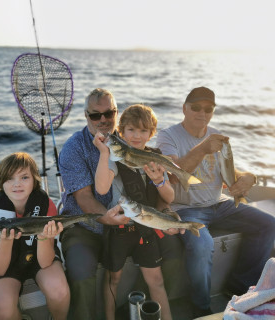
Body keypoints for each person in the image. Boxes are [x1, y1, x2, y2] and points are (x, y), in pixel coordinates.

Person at [156, 86, 275, 317]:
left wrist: (250, 177)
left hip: (219, 203)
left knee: (268, 224)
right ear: (184, 108)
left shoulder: (216, 134)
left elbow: (229, 172)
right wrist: (202, 149)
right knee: (203, 245)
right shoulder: (167, 136)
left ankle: (239, 286)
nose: (202, 113)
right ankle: (200, 308)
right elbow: (170, 176)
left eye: (208, 109)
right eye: (196, 107)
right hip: (186, 208)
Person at [93, 104, 178, 320]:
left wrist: (159, 180)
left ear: (152, 133)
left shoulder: (155, 157)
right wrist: (104, 153)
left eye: (143, 131)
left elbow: (169, 197)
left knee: (156, 280)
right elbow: (102, 188)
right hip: (119, 230)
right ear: (120, 131)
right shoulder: (115, 156)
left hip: (147, 228)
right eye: (131, 130)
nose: (137, 136)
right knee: (113, 280)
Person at [58, 88, 130, 320]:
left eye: (109, 113)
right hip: (83, 226)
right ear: (86, 116)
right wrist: (107, 218)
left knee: (170, 247)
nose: (103, 120)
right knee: (80, 271)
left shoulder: (129, 140)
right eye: (95, 115)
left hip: (126, 223)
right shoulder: (73, 148)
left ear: (117, 113)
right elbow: (84, 198)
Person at [0, 152, 70, 320]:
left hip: (39, 257)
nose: (17, 184)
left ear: (34, 180)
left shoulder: (46, 205)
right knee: (0, 309)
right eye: (9, 178)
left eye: (24, 177)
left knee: (60, 291)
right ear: (0, 182)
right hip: (6, 262)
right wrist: (5, 241)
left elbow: (45, 262)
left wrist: (43, 237)